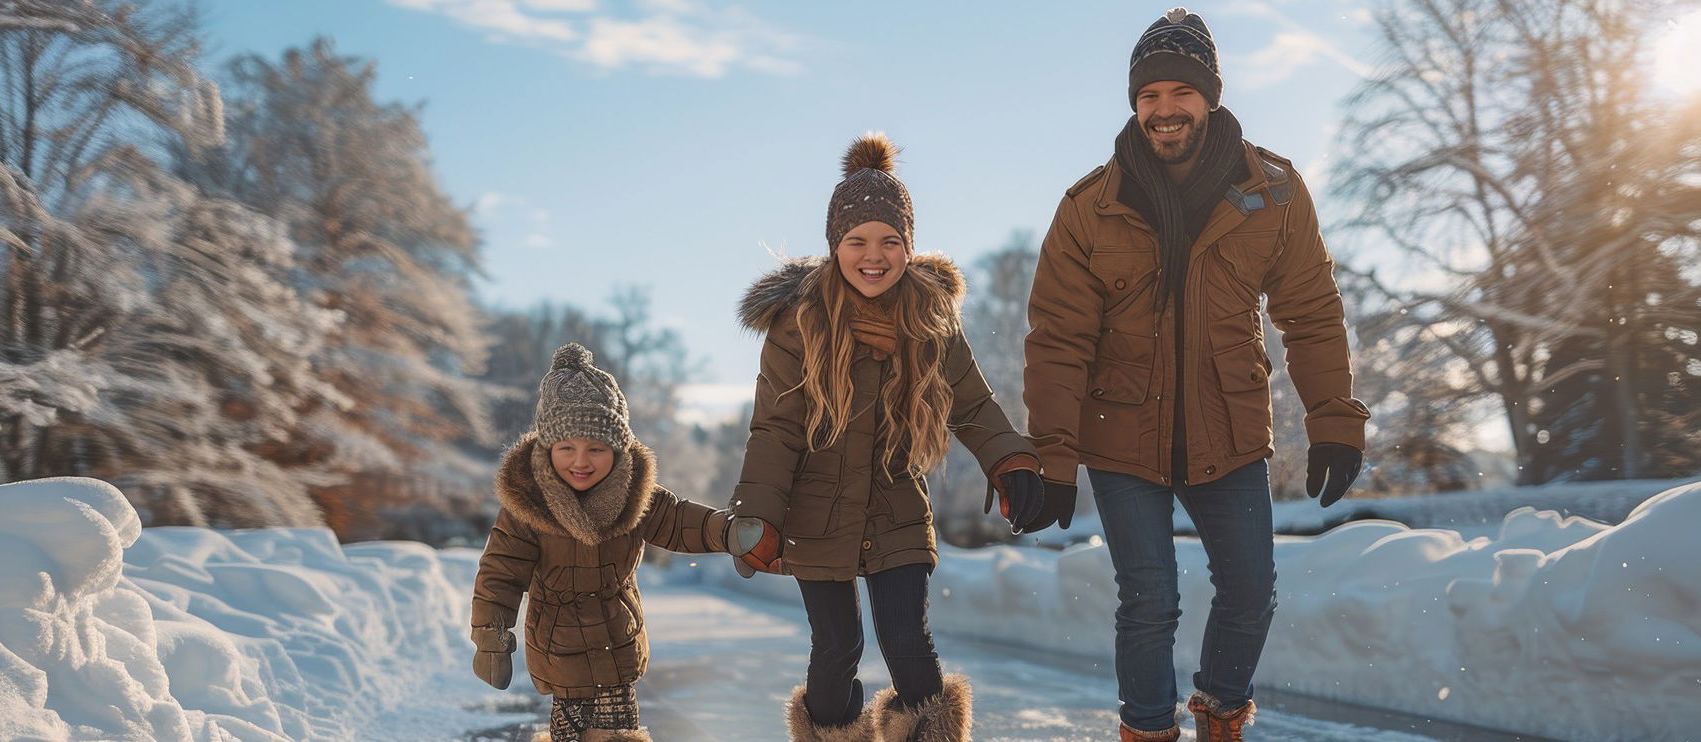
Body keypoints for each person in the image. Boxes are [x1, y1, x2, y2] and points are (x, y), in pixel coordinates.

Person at [1022, 8, 1370, 741]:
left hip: (1229, 426)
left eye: (1181, 91)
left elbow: (1309, 309)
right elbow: (1059, 339)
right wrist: (1053, 454)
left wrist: (1334, 418)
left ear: (1209, 97)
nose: (1164, 109)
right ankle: (1147, 731)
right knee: (1148, 599)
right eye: (1149, 95)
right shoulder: (1091, 206)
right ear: (1134, 104)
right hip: (1121, 434)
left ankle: (1221, 714)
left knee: (1250, 590)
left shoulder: (1272, 191)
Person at [729, 133, 1046, 742]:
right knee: (836, 651)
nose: (873, 256)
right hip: (815, 511)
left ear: (908, 247)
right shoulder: (799, 326)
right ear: (835, 246)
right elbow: (775, 431)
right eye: (857, 242)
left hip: (896, 503)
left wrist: (1010, 460)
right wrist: (758, 518)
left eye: (890, 242)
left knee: (908, 643)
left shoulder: (929, 318)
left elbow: (972, 402)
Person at [469, 342, 759, 742]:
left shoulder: (635, 495)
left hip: (617, 643)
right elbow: (500, 572)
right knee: (569, 733)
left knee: (619, 732)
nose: (581, 461)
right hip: (559, 649)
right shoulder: (529, 505)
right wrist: (490, 636)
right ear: (547, 447)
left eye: (597, 449)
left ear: (618, 449)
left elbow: (680, 522)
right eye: (566, 448)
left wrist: (727, 532)